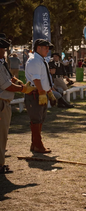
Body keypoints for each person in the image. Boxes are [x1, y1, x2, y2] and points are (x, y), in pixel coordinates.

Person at [0, 33, 36, 173]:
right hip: (2, 103)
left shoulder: (2, 63)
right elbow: (6, 86)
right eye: (2, 50)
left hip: (4, 103)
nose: (4, 53)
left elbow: (9, 80)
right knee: (1, 136)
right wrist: (23, 89)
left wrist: (18, 83)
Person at [25, 39, 57, 153]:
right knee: (36, 119)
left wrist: (49, 92)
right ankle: (38, 145)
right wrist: (42, 92)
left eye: (48, 48)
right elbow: (36, 79)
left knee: (40, 119)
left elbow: (43, 79)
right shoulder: (34, 60)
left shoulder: (41, 60)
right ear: (38, 48)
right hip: (35, 94)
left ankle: (35, 144)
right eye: (45, 48)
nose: (47, 50)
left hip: (40, 93)